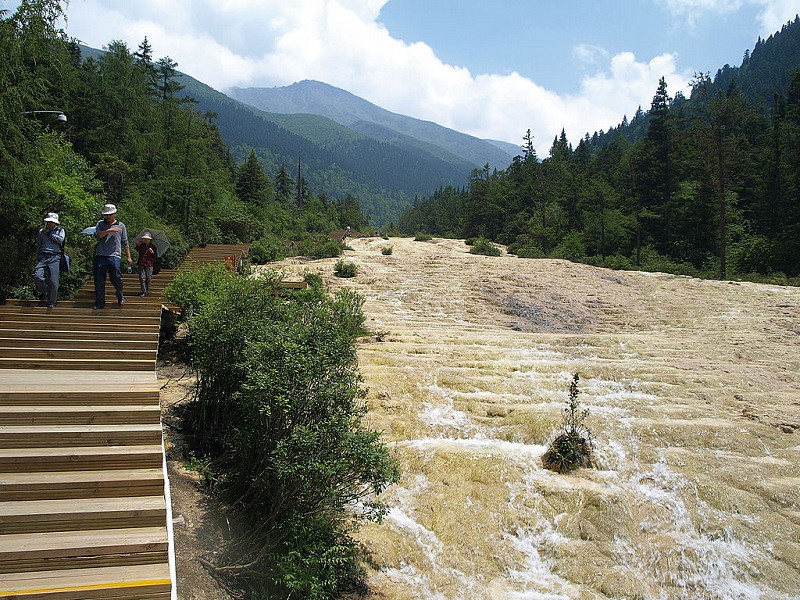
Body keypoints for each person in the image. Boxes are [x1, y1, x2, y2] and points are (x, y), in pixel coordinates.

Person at [92, 203, 132, 309]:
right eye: (106, 215)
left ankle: (119, 294)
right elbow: (97, 236)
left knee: (116, 278)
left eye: (110, 215)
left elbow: (125, 242)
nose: (107, 217)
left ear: (114, 214)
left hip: (114, 255)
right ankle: (99, 302)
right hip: (100, 255)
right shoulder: (100, 224)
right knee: (99, 279)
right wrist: (109, 230)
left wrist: (128, 256)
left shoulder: (121, 225)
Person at [33, 212, 65, 308]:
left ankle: (51, 302)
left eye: (51, 222)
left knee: (53, 280)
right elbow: (38, 244)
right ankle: (46, 291)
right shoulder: (41, 232)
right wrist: (37, 256)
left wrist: (50, 234)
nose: (49, 224)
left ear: (55, 223)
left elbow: (60, 240)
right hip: (43, 256)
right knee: (37, 276)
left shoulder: (60, 230)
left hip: (55, 257)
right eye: (48, 222)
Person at [135, 232, 156, 297]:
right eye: (144, 239)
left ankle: (147, 290)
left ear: (150, 240)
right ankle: (144, 292)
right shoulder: (141, 245)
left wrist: (152, 252)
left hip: (149, 264)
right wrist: (137, 245)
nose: (145, 240)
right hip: (141, 263)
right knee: (142, 278)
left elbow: (155, 257)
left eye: (147, 239)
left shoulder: (153, 247)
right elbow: (137, 249)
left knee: (148, 278)